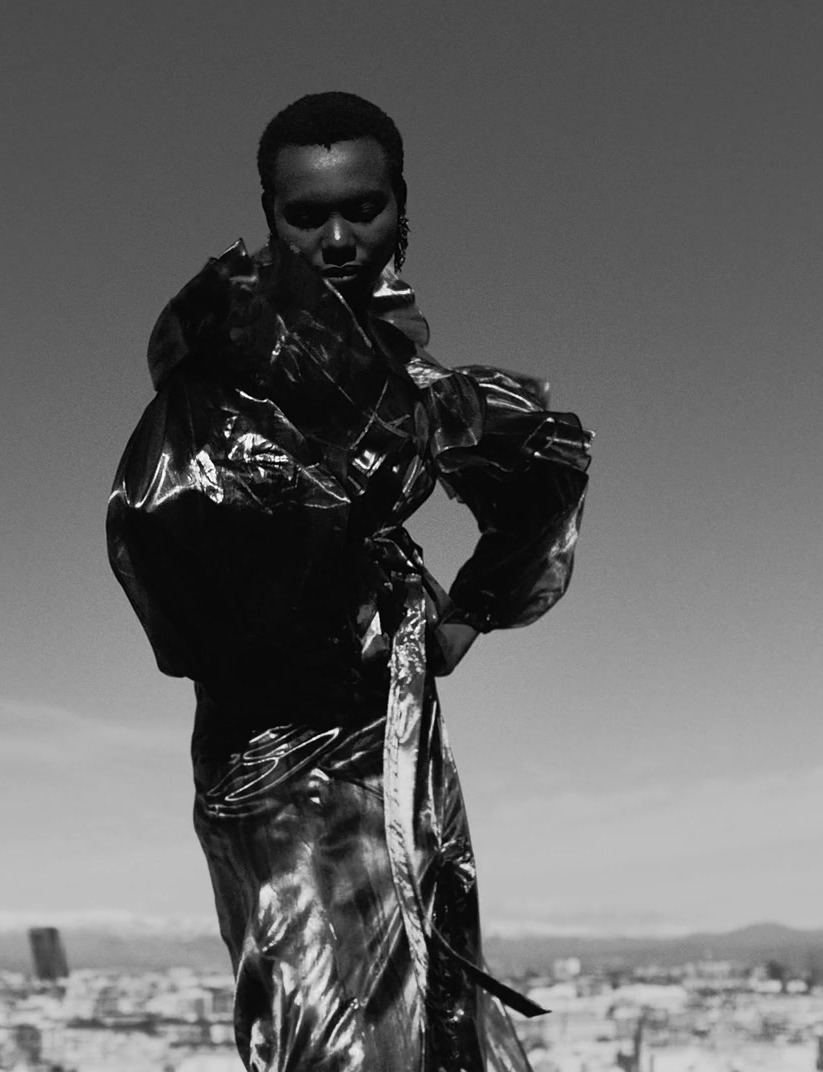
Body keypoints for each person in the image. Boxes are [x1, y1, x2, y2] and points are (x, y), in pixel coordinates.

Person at [107, 91, 592, 1072]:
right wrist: (306, 597)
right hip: (273, 755)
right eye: (305, 214)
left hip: (397, 747)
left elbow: (544, 468)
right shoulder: (221, 375)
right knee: (336, 1041)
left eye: (361, 208)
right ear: (269, 217)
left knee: (433, 1022)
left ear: (400, 209)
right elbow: (151, 529)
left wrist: (466, 614)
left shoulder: (425, 396)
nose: (337, 237)